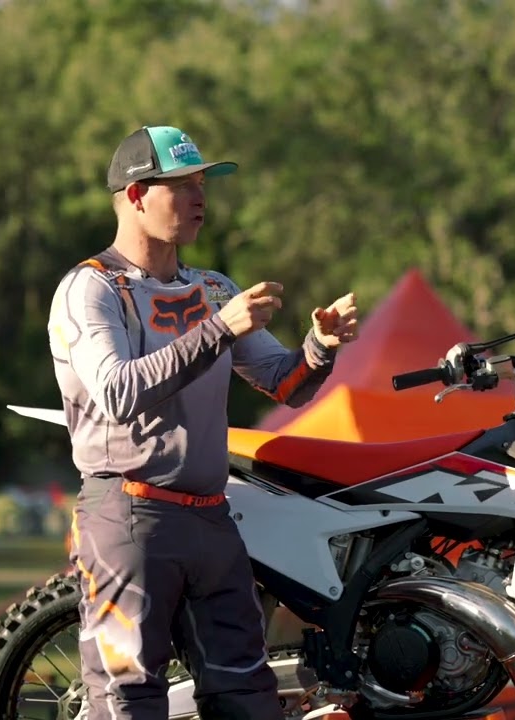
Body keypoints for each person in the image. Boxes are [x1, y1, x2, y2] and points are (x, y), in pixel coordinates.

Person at [47, 125, 359, 719]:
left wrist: (319, 346)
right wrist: (218, 330)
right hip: (129, 516)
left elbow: (285, 385)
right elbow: (117, 392)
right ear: (136, 195)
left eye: (203, 184)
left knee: (248, 698)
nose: (200, 198)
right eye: (183, 185)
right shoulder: (91, 288)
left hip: (213, 517)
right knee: (128, 701)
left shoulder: (212, 288)